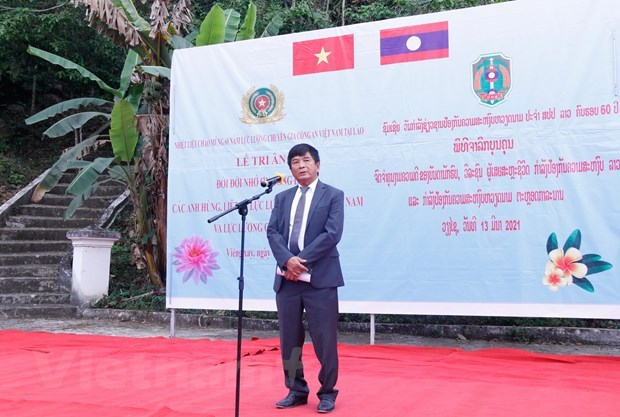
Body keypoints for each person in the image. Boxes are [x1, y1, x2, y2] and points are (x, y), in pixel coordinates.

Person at [267, 143, 345, 414]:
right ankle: (296, 389)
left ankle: (327, 392)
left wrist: (300, 262)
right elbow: (273, 232)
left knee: (324, 339)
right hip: (287, 280)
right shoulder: (282, 198)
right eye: (295, 162)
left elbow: (332, 234)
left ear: (318, 165)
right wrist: (287, 260)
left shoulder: (333, 195)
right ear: (290, 169)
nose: (301, 165)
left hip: (319, 280)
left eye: (306, 160)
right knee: (290, 341)